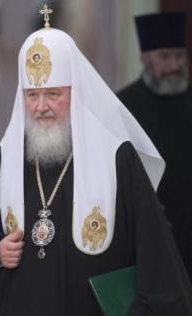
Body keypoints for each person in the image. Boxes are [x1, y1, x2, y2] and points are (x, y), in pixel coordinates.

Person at [0, 9, 192, 316]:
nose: (41, 106)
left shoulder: (117, 158)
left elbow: (156, 256)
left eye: (53, 94)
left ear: (76, 93)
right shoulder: (6, 159)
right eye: (32, 95)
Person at [117, 12, 192, 280]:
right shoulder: (122, 107)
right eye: (164, 57)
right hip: (149, 233)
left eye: (179, 56)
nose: (174, 65)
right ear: (144, 58)